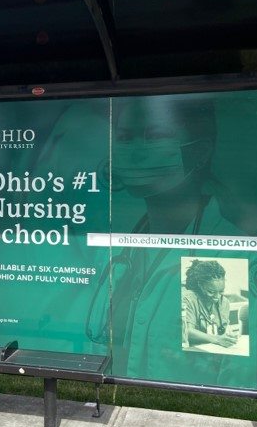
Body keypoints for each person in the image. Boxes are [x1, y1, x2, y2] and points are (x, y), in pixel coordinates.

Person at [101, 95, 242, 380]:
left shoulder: (228, 253)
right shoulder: (124, 246)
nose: (137, 152)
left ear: (201, 151)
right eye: (125, 137)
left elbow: (235, 375)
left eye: (156, 136)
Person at [182, 259, 238, 348]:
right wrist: (216, 339)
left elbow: (223, 330)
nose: (217, 297)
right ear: (200, 284)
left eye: (221, 291)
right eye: (211, 292)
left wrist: (229, 336)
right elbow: (187, 331)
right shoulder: (188, 299)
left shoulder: (224, 303)